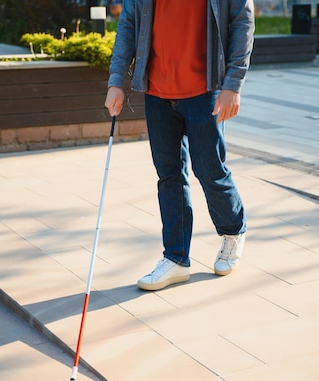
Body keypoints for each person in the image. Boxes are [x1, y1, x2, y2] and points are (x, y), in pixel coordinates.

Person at [105, 0, 254, 291]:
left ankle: (232, 231)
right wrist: (116, 81)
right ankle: (176, 258)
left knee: (210, 170)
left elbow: (242, 22)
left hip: (205, 90)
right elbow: (129, 25)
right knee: (169, 175)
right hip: (157, 91)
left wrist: (233, 84)